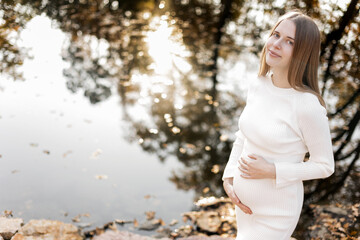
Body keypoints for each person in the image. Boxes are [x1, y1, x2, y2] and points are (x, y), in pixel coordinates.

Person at [222, 10, 335, 240]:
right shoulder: (259, 83)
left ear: (302, 52)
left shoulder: (307, 105)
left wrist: (273, 171)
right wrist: (229, 175)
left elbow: (325, 165)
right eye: (276, 35)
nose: (276, 44)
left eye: (289, 42)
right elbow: (243, 136)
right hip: (244, 209)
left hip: (276, 214)